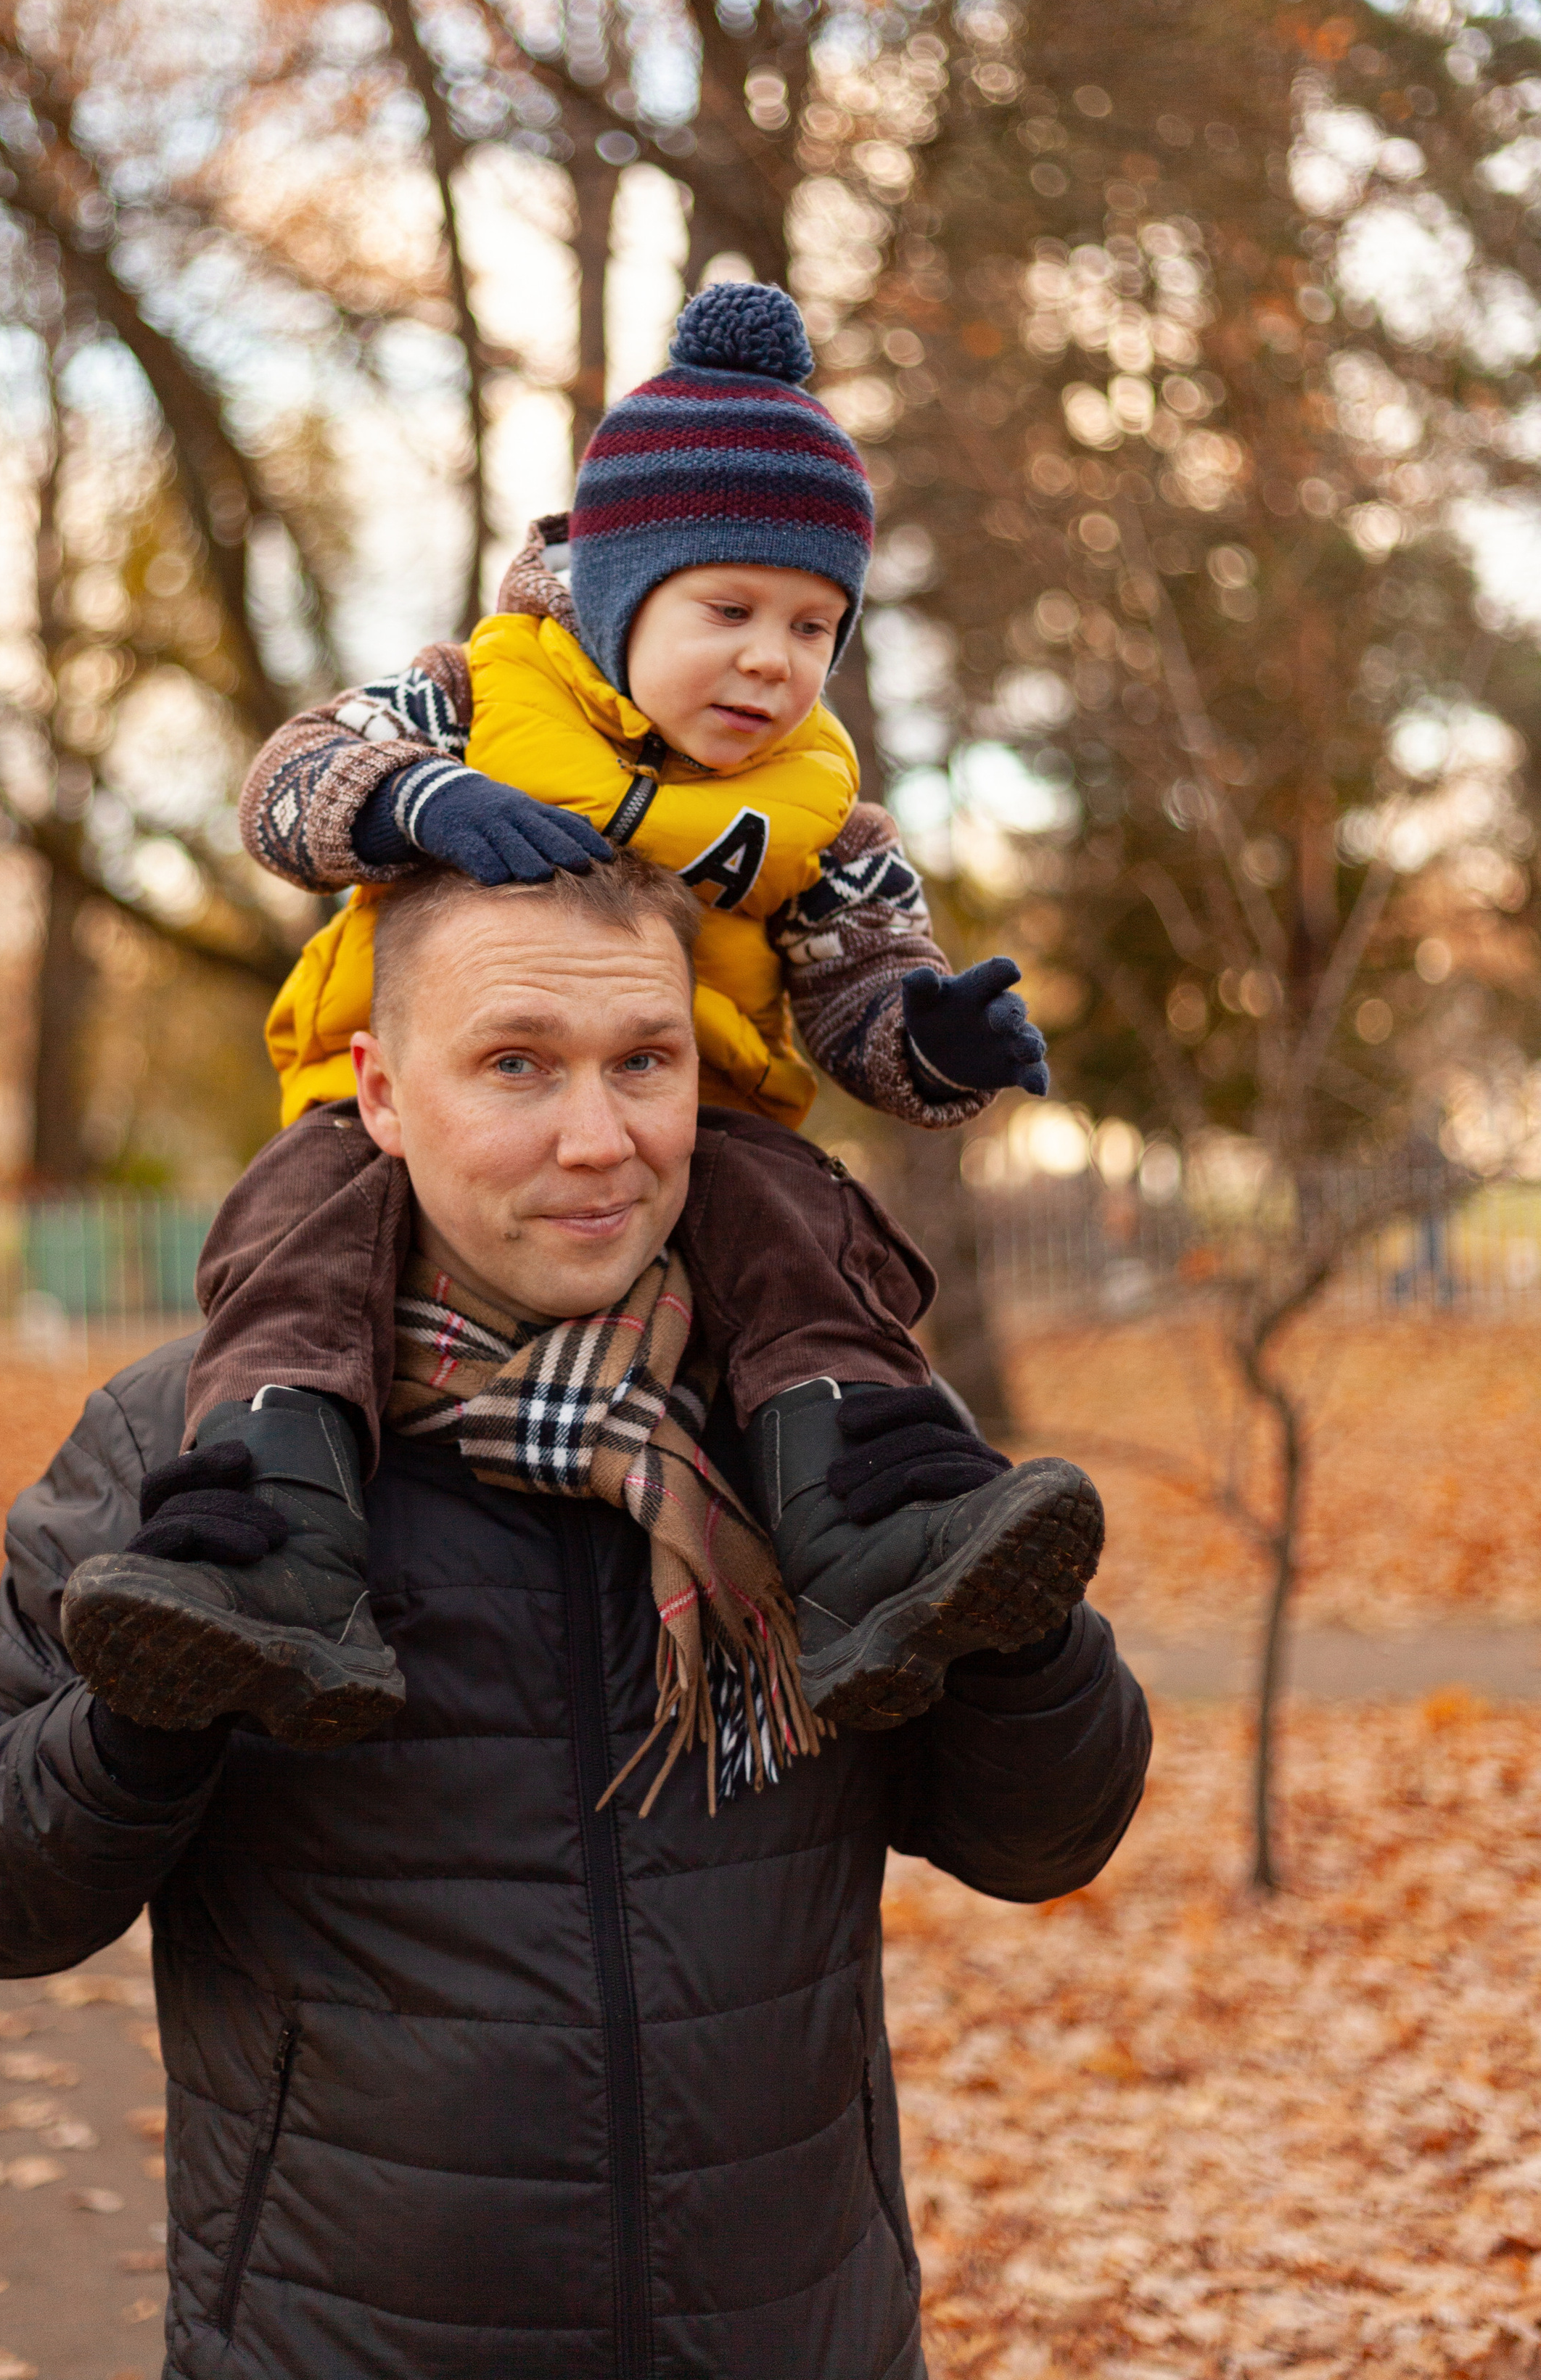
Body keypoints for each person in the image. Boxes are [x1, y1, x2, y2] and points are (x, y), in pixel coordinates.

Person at [0, 855, 1150, 2380]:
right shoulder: (207, 1446)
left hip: (794, 2338)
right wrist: (146, 1715)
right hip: (338, 2346)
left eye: (644, 1062)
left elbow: (1040, 1841)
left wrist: (1015, 1637)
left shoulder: (826, 1415)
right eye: (516, 1066)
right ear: (380, 1093)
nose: (598, 1138)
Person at [65, 281, 1067, 1754]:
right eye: (728, 610)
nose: (772, 660)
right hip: (398, 1095)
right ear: (616, 590)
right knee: (298, 1239)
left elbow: (860, 984)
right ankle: (272, 1543)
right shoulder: (475, 695)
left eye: (814, 625)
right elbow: (285, 785)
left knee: (800, 1226)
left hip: (695, 1116)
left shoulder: (822, 811)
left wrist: (929, 1042)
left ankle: (865, 1533)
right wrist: (416, 800)